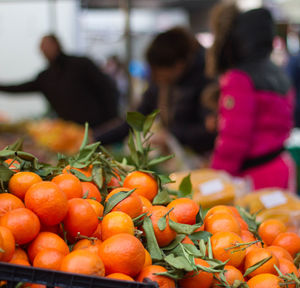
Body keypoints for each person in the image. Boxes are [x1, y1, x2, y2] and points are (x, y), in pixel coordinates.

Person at [207, 4, 296, 191]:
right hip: (281, 168)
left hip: (253, 178)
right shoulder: (278, 73)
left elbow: (234, 139)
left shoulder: (239, 78)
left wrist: (215, 180)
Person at [95, 27, 216, 155]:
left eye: (161, 73)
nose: (157, 79)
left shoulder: (207, 80)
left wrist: (171, 136)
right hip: (178, 159)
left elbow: (210, 129)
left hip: (203, 160)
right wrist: (97, 138)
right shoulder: (160, 84)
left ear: (179, 65)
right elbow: (135, 120)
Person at [0, 34, 119, 129]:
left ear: (56, 45)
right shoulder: (45, 77)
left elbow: (106, 88)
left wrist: (111, 119)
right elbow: (20, 88)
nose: (44, 50)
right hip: (70, 130)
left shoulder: (81, 64)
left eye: (46, 45)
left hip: (96, 126)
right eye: (41, 47)